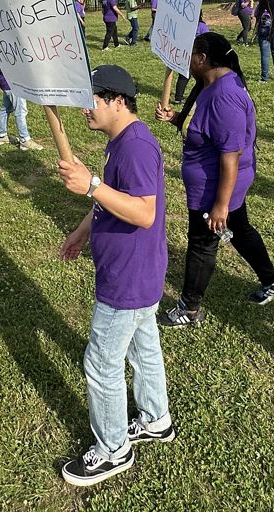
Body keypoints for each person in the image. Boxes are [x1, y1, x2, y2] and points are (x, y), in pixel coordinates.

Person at [57, 65, 174, 486]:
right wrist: (81, 232)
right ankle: (156, 418)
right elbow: (113, 201)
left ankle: (112, 450)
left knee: (102, 364)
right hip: (137, 272)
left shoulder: (136, 147)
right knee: (144, 348)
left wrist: (90, 184)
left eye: (90, 100)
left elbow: (143, 213)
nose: (84, 109)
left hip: (128, 277)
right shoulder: (121, 141)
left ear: (117, 101)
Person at [154, 33, 274, 327]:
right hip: (217, 185)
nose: (185, 60)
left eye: (189, 54)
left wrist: (220, 205)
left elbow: (231, 156)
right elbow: (204, 129)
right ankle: (273, 281)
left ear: (202, 58)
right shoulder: (209, 84)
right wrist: (176, 118)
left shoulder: (225, 96)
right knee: (239, 229)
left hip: (216, 187)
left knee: (202, 244)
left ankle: (189, 309)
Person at [0, 60, 43, 150]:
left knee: (6, 108)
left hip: (5, 81)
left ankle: (1, 136)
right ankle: (24, 139)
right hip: (14, 83)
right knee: (20, 111)